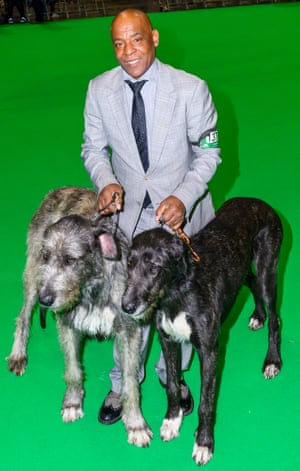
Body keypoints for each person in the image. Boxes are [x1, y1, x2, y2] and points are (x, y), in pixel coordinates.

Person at [81, 8, 221, 425]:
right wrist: (105, 180)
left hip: (182, 219)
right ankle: (124, 380)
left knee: (184, 304)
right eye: (119, 44)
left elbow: (209, 153)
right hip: (129, 223)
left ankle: (171, 376)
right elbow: (93, 149)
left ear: (154, 37)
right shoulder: (99, 89)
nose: (128, 52)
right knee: (130, 305)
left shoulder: (191, 89)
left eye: (136, 40)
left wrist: (183, 195)